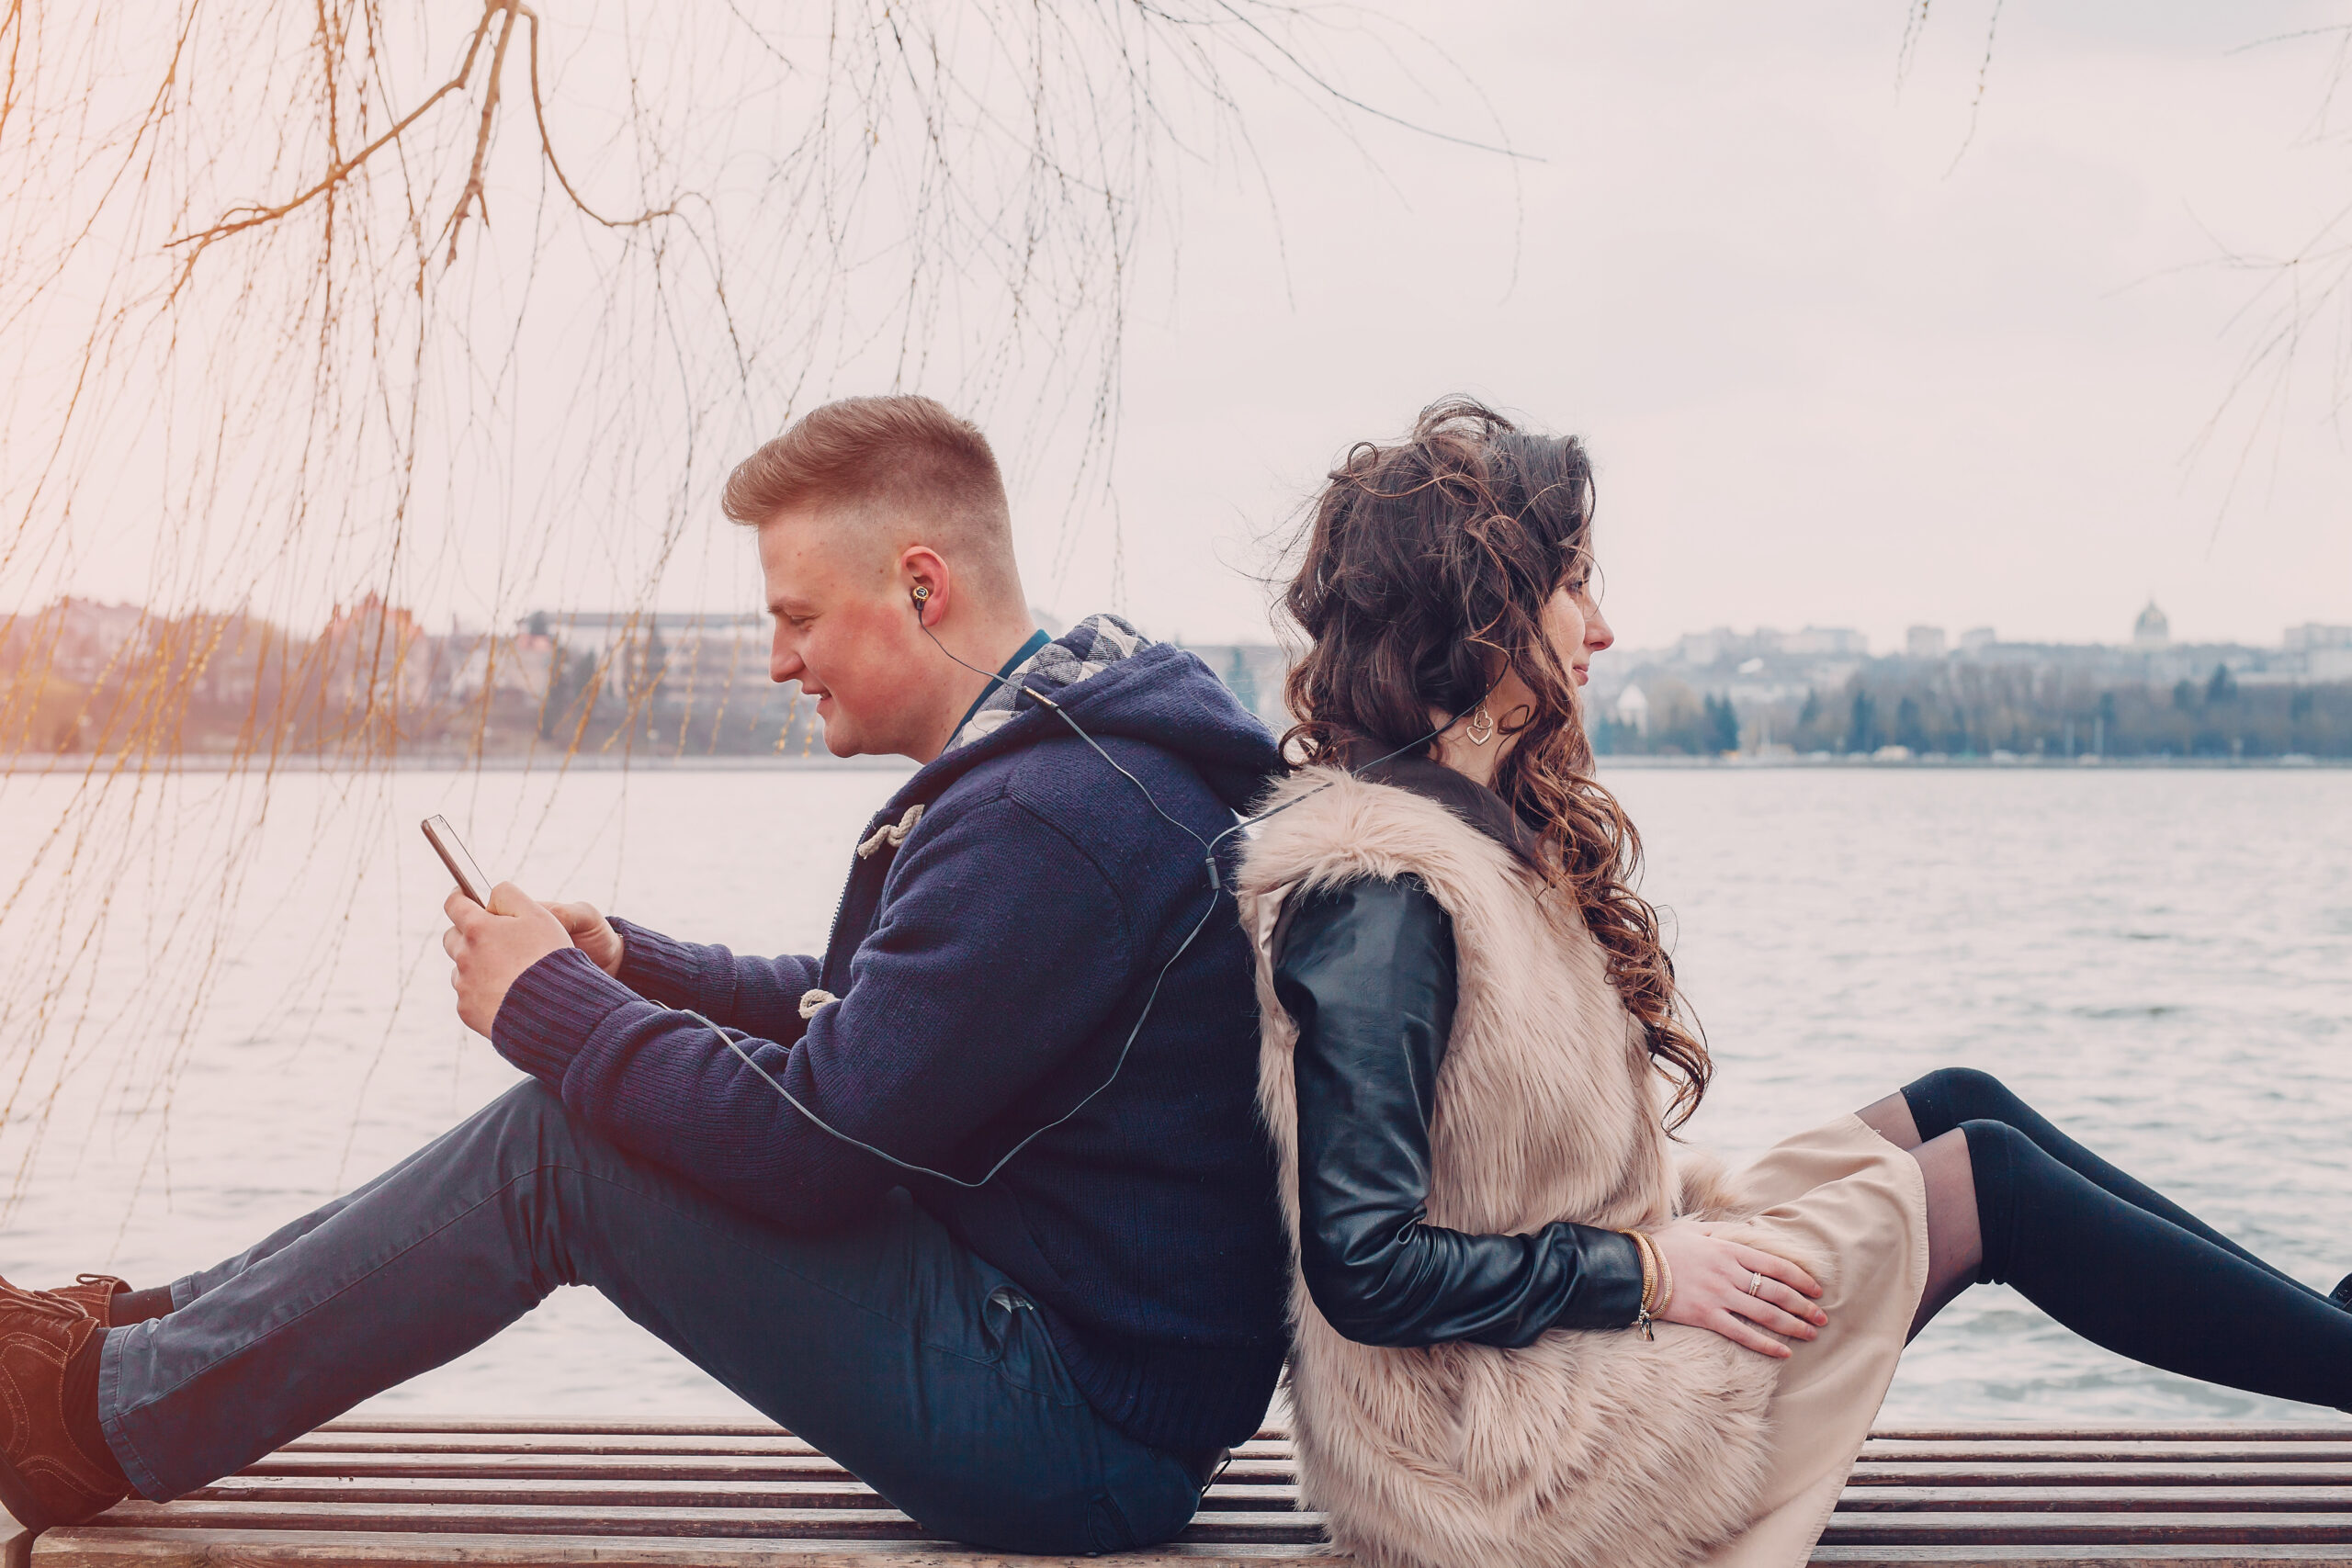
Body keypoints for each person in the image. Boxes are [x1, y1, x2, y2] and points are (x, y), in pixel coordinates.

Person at [0, 395, 1289, 1557]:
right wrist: (630, 964)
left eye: (795, 617)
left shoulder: (1050, 819)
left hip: (1078, 1435)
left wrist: (549, 1004)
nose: (781, 660)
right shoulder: (1067, 768)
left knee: (558, 1153)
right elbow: (879, 1020)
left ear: (919, 584)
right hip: (1068, 1365)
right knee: (568, 1123)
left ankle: (102, 1415)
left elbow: (816, 1141)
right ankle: (120, 1351)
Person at [1237, 396, 2352, 1568]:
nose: (1601, 628)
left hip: (1544, 1361)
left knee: (1953, 1103)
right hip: (1504, 1464)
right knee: (1989, 1187)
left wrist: (1663, 1245)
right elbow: (1364, 1269)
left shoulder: (1463, 839)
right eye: (1573, 583)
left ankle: (2332, 1334)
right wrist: (1655, 1269)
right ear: (1480, 613)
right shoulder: (1379, 891)